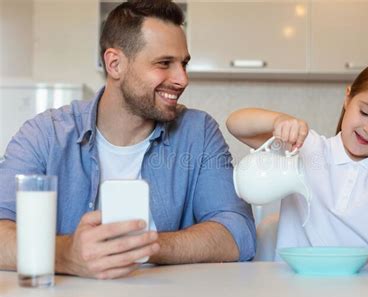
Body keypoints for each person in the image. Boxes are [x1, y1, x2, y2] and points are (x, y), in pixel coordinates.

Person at [0, 0, 256, 279]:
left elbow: (237, 232)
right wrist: (64, 255)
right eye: (164, 63)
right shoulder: (44, 135)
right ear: (115, 64)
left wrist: (143, 245)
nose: (182, 79)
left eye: (183, 64)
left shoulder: (199, 132)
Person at [226, 57, 368, 273]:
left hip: (358, 292)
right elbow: (235, 124)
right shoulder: (307, 148)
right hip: (291, 289)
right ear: (347, 98)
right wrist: (279, 121)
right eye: (365, 113)